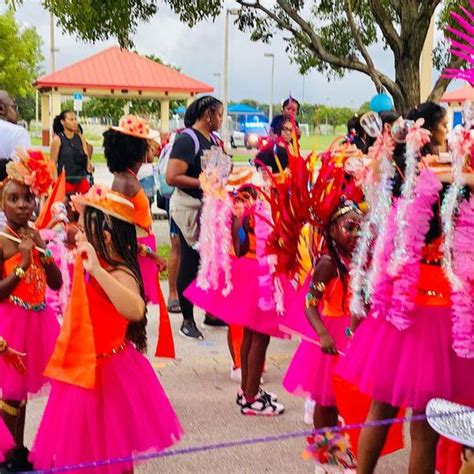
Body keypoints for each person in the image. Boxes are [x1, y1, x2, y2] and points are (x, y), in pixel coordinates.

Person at [337, 102, 474, 473]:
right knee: (425, 427)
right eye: (445, 125)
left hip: (399, 301)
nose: (449, 131)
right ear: (428, 132)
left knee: (381, 407)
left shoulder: (398, 175)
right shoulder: (446, 179)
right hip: (435, 304)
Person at [30, 185, 183, 472]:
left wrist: (98, 273)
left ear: (107, 238)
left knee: (114, 455)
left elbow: (135, 309)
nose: (81, 236)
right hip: (84, 370)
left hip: (111, 374)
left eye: (86, 232)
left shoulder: (118, 271)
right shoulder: (96, 262)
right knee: (82, 454)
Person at [283, 201, 362, 469]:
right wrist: (323, 334)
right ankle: (324, 453)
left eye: (360, 229)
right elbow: (309, 303)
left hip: (349, 336)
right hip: (329, 336)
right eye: (348, 227)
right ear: (331, 229)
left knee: (341, 399)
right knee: (325, 399)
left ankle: (337, 448)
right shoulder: (328, 263)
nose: (355, 234)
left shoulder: (356, 260)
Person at [0, 150, 62, 472]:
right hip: (10, 325)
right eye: (14, 198)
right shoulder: (2, 242)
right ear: (2, 203)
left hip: (37, 322)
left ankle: (19, 448)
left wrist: (42, 250)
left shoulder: (33, 236)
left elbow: (56, 282)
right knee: (10, 394)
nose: (23, 205)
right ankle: (7, 456)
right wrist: (23, 265)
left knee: (21, 394)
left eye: (28, 198)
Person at [166, 96, 225, 340]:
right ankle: (187, 320)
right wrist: (204, 182)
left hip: (209, 207)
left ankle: (211, 312)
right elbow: (172, 176)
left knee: (210, 262)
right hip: (189, 209)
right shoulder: (186, 139)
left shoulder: (213, 140)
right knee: (189, 263)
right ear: (207, 114)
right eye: (219, 114)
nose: (221, 119)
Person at [50, 111, 92, 195]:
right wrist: (55, 183)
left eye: (75, 119)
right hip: (65, 181)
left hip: (81, 180)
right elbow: (53, 163)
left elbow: (86, 154)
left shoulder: (80, 137)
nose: (75, 122)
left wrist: (89, 165)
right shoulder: (58, 139)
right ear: (62, 122)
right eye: (71, 119)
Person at [0, 90, 31, 161]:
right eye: (14, 107)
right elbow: (23, 168)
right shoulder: (18, 133)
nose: (17, 113)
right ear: (1, 108)